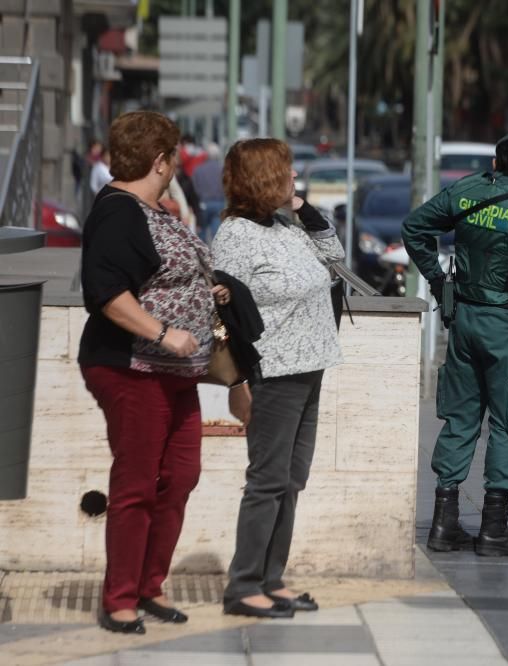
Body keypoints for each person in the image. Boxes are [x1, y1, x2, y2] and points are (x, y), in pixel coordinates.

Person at [78, 111, 230, 634]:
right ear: (160, 161)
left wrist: (207, 293)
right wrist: (165, 332)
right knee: (137, 484)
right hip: (132, 368)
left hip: (175, 373)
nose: (173, 170)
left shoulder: (149, 210)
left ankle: (150, 585)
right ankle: (121, 598)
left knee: (180, 476)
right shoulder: (118, 213)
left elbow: (167, 274)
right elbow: (105, 294)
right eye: (173, 159)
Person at [401, 132, 508, 557]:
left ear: (495, 162)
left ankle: (443, 523)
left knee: (460, 418)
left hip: (464, 321)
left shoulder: (466, 192)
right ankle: (494, 528)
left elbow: (414, 227)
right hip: (506, 327)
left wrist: (439, 282)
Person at [212, 138, 345, 618]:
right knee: (267, 481)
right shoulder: (236, 235)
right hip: (273, 372)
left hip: (310, 368)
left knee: (292, 479)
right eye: (287, 172)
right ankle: (243, 584)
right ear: (265, 177)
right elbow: (222, 311)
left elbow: (335, 257)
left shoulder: (285, 227)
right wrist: (237, 383)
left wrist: (303, 207)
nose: (294, 179)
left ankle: (272, 578)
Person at [192, 142, 225, 243]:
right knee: (216, 232)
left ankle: (203, 255)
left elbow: (195, 187)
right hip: (218, 202)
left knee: (202, 232)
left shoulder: (199, 170)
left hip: (203, 203)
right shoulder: (222, 169)